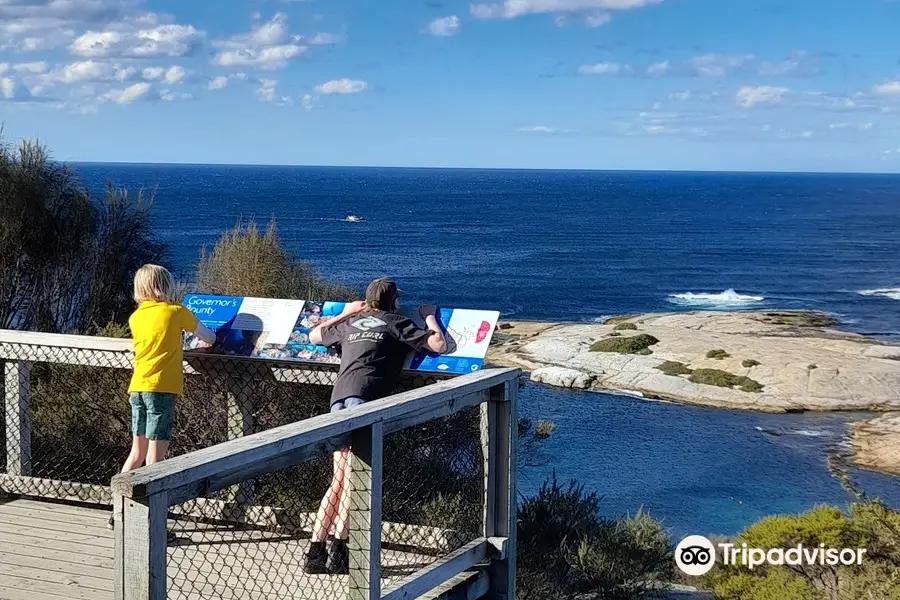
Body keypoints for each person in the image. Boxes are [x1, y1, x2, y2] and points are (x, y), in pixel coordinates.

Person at [304, 277, 448, 574]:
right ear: (394, 302)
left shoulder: (352, 323)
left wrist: (347, 311)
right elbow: (438, 344)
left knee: (339, 480)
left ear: (366, 300)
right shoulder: (395, 322)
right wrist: (429, 315)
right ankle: (339, 551)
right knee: (353, 481)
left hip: (339, 399)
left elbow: (314, 337)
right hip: (366, 401)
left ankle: (315, 552)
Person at [109, 265, 216, 531]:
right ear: (164, 286)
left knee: (137, 454)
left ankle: (117, 512)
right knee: (156, 461)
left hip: (138, 388)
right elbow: (209, 336)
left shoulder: (136, 317)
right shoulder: (176, 312)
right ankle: (154, 524)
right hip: (162, 391)